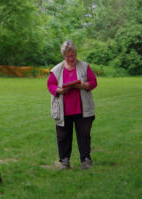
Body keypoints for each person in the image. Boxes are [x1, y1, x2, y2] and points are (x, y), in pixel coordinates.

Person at [47, 40, 97, 170]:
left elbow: (93, 82)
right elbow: (50, 85)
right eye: (68, 56)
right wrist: (59, 90)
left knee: (84, 135)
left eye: (73, 55)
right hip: (63, 110)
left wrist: (83, 85)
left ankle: (85, 160)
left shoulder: (85, 66)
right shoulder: (57, 69)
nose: (71, 58)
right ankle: (64, 161)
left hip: (82, 109)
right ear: (64, 56)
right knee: (63, 137)